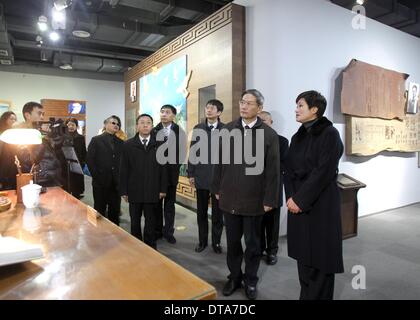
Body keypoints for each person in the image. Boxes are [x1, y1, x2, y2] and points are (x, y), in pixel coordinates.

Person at [211, 89, 280, 300]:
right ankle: (234, 277)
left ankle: (250, 281)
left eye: (249, 103)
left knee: (253, 244)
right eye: (242, 102)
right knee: (232, 244)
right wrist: (216, 189)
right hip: (229, 197)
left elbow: (273, 170)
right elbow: (218, 162)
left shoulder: (268, 134)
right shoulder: (228, 129)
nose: (243, 106)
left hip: (254, 200)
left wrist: (270, 199)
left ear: (259, 108)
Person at [285, 90, 344, 300]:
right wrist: (291, 198)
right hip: (298, 204)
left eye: (300, 105)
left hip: (321, 204)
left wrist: (300, 199)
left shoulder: (330, 134)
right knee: (304, 257)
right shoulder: (298, 136)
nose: (296, 109)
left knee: (320, 260)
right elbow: (288, 170)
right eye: (297, 105)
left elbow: (324, 171)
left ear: (314, 109)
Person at [120, 114, 167, 249]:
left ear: (152, 126)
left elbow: (164, 169)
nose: (145, 125)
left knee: (151, 221)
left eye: (148, 123)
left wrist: (163, 189)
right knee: (134, 221)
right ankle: (136, 247)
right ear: (137, 126)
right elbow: (123, 170)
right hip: (134, 190)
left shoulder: (159, 145)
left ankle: (150, 247)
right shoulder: (128, 145)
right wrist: (124, 190)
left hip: (153, 189)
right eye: (142, 122)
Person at [188, 99, 225, 254]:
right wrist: (191, 173)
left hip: (219, 179)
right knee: (201, 213)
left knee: (218, 214)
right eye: (207, 107)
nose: (208, 110)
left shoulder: (227, 129)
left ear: (219, 112)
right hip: (202, 176)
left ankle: (216, 243)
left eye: (212, 108)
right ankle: (202, 241)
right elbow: (193, 152)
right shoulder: (198, 128)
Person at [258, 111, 289, 265]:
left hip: (273, 189)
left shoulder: (282, 141)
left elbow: (283, 165)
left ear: (271, 122)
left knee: (272, 224)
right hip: (254, 191)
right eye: (259, 121)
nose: (262, 123)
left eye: (265, 120)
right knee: (257, 223)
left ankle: (272, 251)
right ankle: (259, 249)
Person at [153, 105, 185, 244]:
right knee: (156, 205)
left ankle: (169, 232)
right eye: (162, 112)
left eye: (167, 112)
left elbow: (182, 153)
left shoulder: (179, 131)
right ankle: (157, 231)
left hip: (172, 174)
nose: (164, 114)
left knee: (170, 205)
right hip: (157, 175)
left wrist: (174, 167)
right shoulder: (154, 131)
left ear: (173, 116)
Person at [87, 115, 124, 225]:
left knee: (115, 210)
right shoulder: (96, 140)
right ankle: (99, 234)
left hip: (115, 183)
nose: (116, 125)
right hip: (100, 181)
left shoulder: (121, 142)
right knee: (99, 209)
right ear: (105, 124)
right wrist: (96, 176)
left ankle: (115, 234)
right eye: (113, 123)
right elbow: (90, 160)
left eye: (118, 124)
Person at [62, 118, 87, 198]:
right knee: (67, 184)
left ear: (76, 126)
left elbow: (83, 151)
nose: (71, 126)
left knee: (76, 184)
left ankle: (76, 196)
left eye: (73, 125)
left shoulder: (80, 137)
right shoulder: (62, 138)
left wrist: (83, 163)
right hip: (65, 164)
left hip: (77, 163)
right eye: (69, 124)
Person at [0, 111, 17, 190]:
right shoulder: (2, 134)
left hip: (13, 167)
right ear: (5, 120)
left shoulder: (15, 133)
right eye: (11, 119)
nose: (14, 121)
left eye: (15, 119)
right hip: (3, 167)